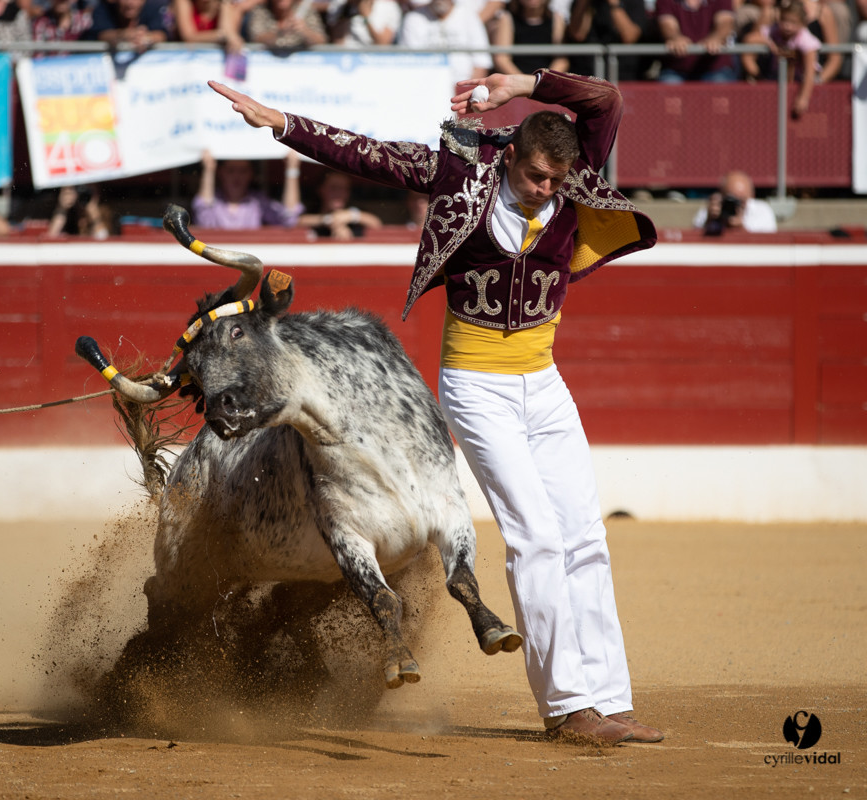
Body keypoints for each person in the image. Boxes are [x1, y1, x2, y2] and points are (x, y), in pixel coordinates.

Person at [206, 69, 663, 747]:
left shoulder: (574, 179)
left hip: (543, 381)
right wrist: (282, 124)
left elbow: (608, 100)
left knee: (585, 537)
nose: (546, 190)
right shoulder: (462, 176)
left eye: (556, 180)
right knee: (536, 536)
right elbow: (368, 155)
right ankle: (569, 708)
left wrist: (526, 82)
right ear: (511, 156)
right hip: (477, 385)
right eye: (535, 176)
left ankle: (608, 697)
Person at [741, 0, 819, 118]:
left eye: (793, 22)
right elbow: (749, 39)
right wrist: (768, 43)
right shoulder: (775, 31)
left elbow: (809, 72)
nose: (787, 26)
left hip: (799, 82)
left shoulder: (806, 39)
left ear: (802, 23)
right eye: (784, 21)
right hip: (776, 79)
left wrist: (803, 98)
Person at [192, 149, 303, 229]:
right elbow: (203, 219)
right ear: (220, 173)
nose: (237, 176)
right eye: (231, 171)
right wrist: (209, 169)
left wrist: (292, 169)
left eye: (243, 171)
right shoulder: (213, 201)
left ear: (251, 174)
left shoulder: (258, 202)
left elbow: (289, 219)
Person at [397, 0, 493, 80]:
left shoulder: (469, 16)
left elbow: (481, 62)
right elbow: (409, 62)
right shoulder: (413, 18)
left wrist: (467, 90)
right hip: (425, 86)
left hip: (462, 85)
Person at [565, 0, 650, 81]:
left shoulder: (634, 2)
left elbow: (630, 37)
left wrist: (614, 4)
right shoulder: (584, 3)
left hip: (622, 76)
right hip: (586, 75)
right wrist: (584, 4)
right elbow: (578, 34)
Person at [655, 0, 737, 82]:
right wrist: (675, 38)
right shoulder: (665, 1)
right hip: (676, 69)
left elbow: (725, 22)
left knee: (720, 84)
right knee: (669, 84)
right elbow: (667, 25)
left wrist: (716, 38)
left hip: (715, 68)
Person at [490, 0, 571, 75]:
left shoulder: (556, 19)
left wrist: (544, 79)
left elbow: (561, 60)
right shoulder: (507, 18)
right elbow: (501, 59)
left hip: (547, 79)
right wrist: (523, 80)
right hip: (515, 78)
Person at [297, 170, 384, 239]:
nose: (339, 193)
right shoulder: (312, 211)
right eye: (333, 188)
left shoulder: (356, 212)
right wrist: (329, 220)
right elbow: (296, 221)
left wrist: (351, 215)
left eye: (343, 188)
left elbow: (376, 223)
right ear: (321, 189)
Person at [692, 169, 778, 234]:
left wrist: (740, 228)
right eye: (731, 199)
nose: (736, 205)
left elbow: (766, 245)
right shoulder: (708, 212)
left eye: (741, 200)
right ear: (721, 195)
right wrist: (710, 222)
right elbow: (695, 244)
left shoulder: (762, 211)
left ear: (752, 196)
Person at [86, 0, 171, 48]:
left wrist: (146, 38)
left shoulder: (153, 7)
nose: (130, 3)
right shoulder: (104, 8)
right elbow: (100, 34)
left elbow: (162, 34)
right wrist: (123, 34)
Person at [244, 0, 329, 47]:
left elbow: (321, 41)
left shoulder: (306, 10)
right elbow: (256, 38)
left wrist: (305, 31)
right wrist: (279, 31)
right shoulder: (261, 10)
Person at [46, 185, 116, 239]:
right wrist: (62, 208)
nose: (82, 194)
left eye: (88, 190)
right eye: (78, 189)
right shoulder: (69, 216)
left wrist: (93, 212)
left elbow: (104, 241)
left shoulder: (105, 212)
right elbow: (51, 240)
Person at [172, 0, 244, 50]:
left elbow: (228, 33)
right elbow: (188, 37)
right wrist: (220, 36)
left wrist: (224, 6)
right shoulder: (183, 2)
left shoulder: (227, 4)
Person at [326, 0, 403, 44]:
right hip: (346, 56)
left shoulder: (389, 7)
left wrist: (366, 18)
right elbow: (337, 42)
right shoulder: (339, 5)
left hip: (373, 59)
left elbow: (382, 43)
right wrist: (345, 13)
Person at [32, 0, 97, 42]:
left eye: (64, 1)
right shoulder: (41, 23)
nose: (61, 2)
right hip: (51, 59)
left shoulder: (84, 21)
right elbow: (38, 54)